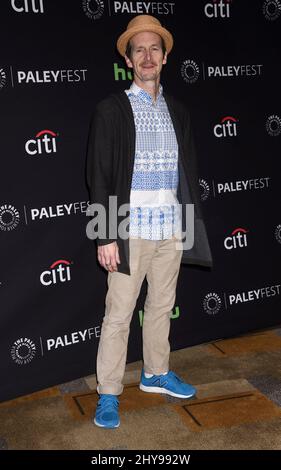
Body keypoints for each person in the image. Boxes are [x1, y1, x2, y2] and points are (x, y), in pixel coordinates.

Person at [86, 14, 212, 429]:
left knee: (161, 306)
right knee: (119, 313)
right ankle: (108, 393)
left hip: (170, 227)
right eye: (138, 49)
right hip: (129, 230)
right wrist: (105, 235)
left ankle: (156, 373)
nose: (147, 56)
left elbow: (187, 173)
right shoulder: (112, 109)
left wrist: (188, 224)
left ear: (164, 58)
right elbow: (99, 176)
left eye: (154, 48)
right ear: (128, 58)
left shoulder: (177, 109)